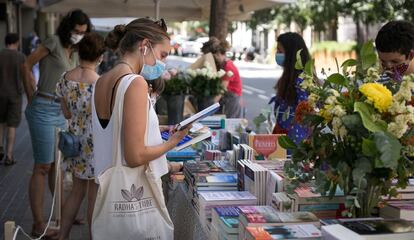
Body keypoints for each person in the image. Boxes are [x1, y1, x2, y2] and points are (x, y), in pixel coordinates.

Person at [92, 17, 189, 235]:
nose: (163, 63)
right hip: (134, 199)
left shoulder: (102, 80)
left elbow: (115, 129)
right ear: (144, 46)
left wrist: (156, 129)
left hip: (109, 195)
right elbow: (135, 156)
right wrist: (172, 143)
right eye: (162, 55)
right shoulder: (135, 82)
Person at [21, 9, 91, 238]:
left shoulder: (75, 51)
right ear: (68, 28)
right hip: (42, 107)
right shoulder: (53, 42)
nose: (79, 35)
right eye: (76, 31)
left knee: (56, 167)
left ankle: (63, 215)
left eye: (83, 32)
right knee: (42, 166)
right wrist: (31, 95)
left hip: (61, 110)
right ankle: (38, 223)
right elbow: (26, 64)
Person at [56, 32, 104, 240]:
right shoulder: (100, 83)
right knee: (94, 197)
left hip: (74, 142)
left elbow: (66, 113)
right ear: (100, 57)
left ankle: (63, 235)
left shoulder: (66, 79)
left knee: (76, 192)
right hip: (94, 145)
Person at [269, 32, 310, 144]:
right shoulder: (288, 78)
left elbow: (305, 114)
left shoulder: (302, 81)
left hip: (294, 141)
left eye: (280, 51)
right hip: (283, 137)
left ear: (291, 54)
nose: (277, 54)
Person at [201, 37, 243, 118]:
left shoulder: (228, 67)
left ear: (220, 54)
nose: (215, 58)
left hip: (232, 100)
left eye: (216, 56)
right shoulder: (224, 65)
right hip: (229, 98)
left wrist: (210, 107)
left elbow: (222, 90)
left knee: (230, 124)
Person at [0, 33, 25, 165]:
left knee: (1, 122)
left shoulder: (0, 55)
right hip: (15, 95)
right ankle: (9, 156)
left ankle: (0, 147)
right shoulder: (21, 57)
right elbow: (26, 76)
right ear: (16, 42)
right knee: (12, 125)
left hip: (0, 94)